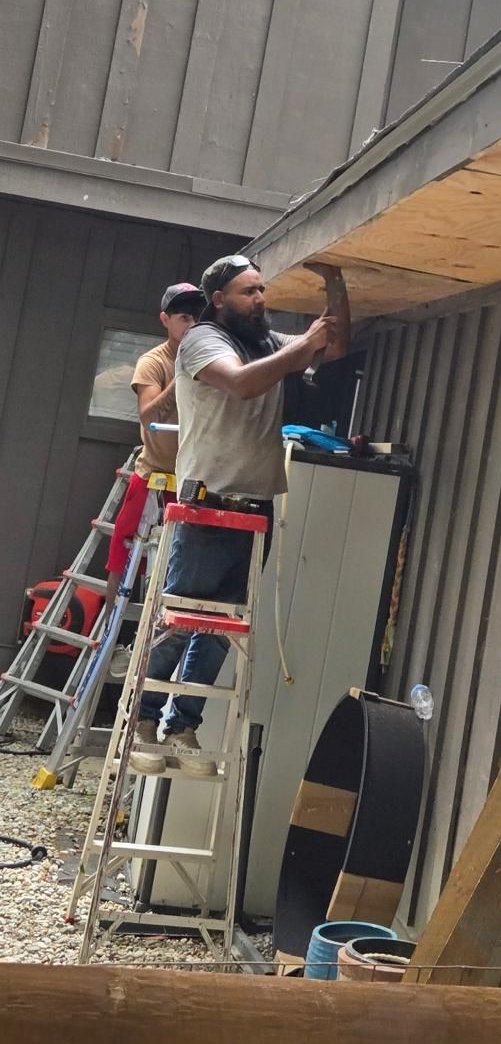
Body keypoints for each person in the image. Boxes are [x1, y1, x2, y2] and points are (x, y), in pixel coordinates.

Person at [131, 255, 348, 776]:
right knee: (179, 620)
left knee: (221, 628)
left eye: (261, 290)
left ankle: (182, 725)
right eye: (249, 292)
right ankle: (143, 720)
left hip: (255, 506)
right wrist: (302, 344)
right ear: (220, 299)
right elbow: (244, 383)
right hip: (207, 504)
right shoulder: (202, 340)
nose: (260, 300)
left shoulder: (267, 341)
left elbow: (335, 346)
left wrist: (335, 283)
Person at [103, 284, 207, 621]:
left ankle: (165, 636)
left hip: (195, 479)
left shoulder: (212, 360)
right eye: (184, 318)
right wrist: (181, 376)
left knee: (185, 561)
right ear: (165, 319)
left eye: (198, 318)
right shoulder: (154, 361)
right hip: (154, 474)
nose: (192, 325)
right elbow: (148, 416)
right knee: (123, 553)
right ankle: (109, 630)